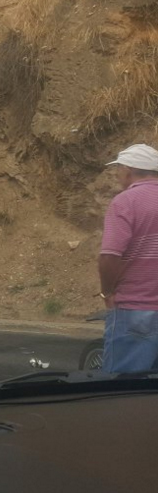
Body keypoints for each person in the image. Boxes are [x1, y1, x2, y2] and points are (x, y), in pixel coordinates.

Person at [99, 144, 158, 373]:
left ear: (128, 170)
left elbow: (109, 257)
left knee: (121, 390)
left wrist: (107, 292)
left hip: (135, 308)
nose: (117, 175)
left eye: (118, 170)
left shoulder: (125, 202)